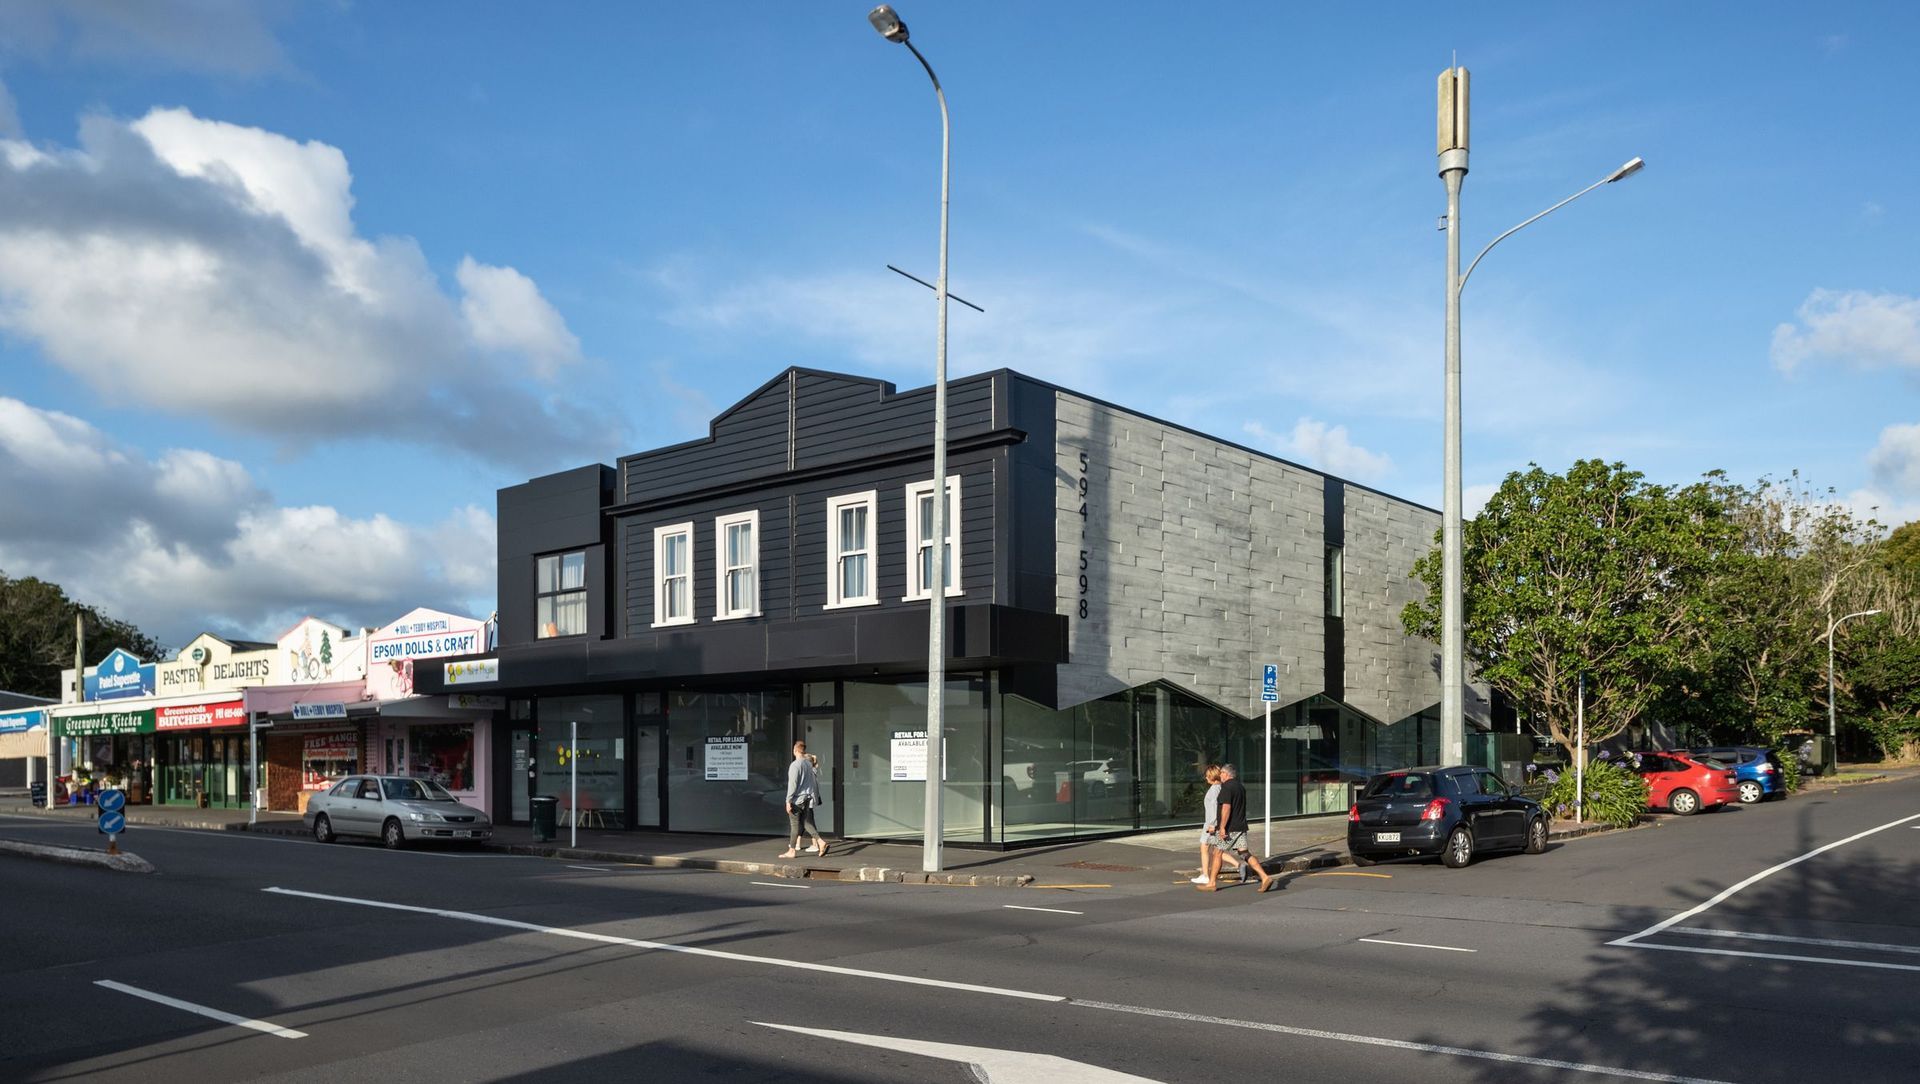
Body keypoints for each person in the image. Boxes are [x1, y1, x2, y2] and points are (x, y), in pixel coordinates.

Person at [1199, 764, 1273, 892]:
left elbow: (1226, 808)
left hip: (1229, 828)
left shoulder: (1226, 787)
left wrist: (1221, 827)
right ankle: (1265, 877)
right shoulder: (1240, 787)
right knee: (1244, 853)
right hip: (1241, 826)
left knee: (1217, 853)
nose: (1220, 775)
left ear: (1226, 774)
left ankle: (1211, 883)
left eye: (1221, 773)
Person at [1190, 764, 1244, 885]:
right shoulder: (1221, 787)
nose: (1205, 778)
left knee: (1205, 848)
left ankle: (1205, 875)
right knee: (1217, 850)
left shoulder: (1214, 790)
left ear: (1211, 776)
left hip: (1210, 824)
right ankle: (1239, 865)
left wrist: (1212, 824)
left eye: (1207, 776)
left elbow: (1215, 808)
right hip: (1213, 823)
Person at [780, 739, 828, 859]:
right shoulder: (808, 764)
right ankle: (821, 842)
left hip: (797, 800)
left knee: (794, 825)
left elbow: (793, 784)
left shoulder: (795, 765)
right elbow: (812, 781)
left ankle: (791, 851)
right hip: (807, 798)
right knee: (806, 822)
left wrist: (788, 801)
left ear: (795, 750)